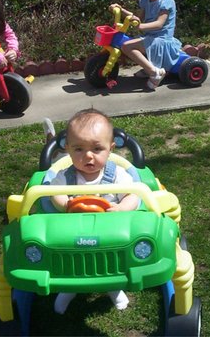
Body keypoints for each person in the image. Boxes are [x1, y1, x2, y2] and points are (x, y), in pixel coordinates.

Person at [49, 108, 139, 314]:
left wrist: (121, 208)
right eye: (79, 149)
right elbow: (53, 193)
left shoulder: (117, 174)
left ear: (110, 149)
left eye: (97, 149)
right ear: (68, 149)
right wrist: (66, 204)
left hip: (110, 231)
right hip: (74, 230)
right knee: (72, 257)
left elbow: (133, 195)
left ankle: (113, 287)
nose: (88, 156)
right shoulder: (65, 176)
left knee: (109, 259)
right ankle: (68, 288)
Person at [110, 0, 182, 90]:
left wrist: (141, 27)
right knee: (130, 42)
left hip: (162, 40)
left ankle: (154, 73)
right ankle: (150, 68)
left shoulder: (167, 1)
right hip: (151, 37)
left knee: (126, 46)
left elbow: (160, 24)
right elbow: (138, 18)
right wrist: (121, 10)